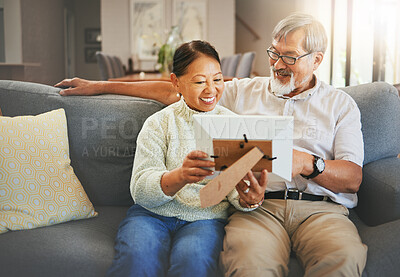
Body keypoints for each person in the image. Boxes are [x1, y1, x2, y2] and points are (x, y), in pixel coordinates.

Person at [56, 13, 367, 276]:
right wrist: (99, 85)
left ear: (317, 60)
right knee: (247, 263)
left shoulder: (341, 105)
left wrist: (307, 163)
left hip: (321, 211)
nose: (277, 64)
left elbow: (352, 178)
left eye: (289, 56)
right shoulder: (244, 91)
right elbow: (179, 91)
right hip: (261, 208)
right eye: (274, 53)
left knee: (341, 260)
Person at [103, 40, 267, 277]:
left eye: (218, 79)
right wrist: (179, 176)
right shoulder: (159, 123)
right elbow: (139, 190)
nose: (211, 90)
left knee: (193, 263)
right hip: (151, 215)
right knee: (136, 259)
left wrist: (249, 200)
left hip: (205, 219)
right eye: (200, 82)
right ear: (176, 82)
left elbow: (234, 190)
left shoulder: (232, 124)